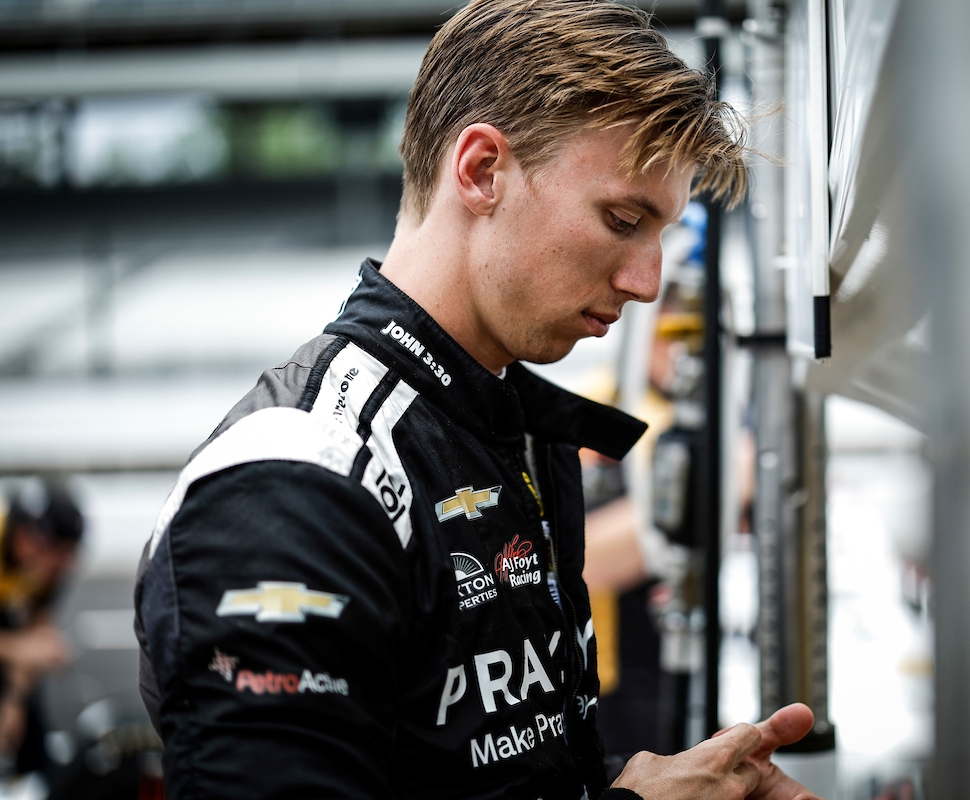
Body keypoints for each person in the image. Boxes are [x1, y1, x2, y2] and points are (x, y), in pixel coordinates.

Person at [134, 1, 824, 798]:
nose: (646, 282)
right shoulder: (299, 480)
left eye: (659, 234)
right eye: (622, 220)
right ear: (481, 170)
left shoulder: (522, 435)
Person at [0, 479, 80, 774]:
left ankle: (33, 772)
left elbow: (37, 631)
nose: (57, 567)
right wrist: (19, 648)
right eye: (51, 552)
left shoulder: (50, 566)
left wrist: (15, 701)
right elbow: (26, 646)